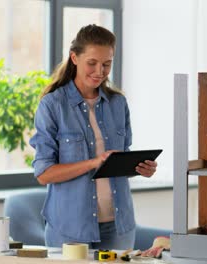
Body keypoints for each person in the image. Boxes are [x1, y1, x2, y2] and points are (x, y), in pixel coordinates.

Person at [29, 24, 158, 249]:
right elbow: (43, 173)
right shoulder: (52, 105)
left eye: (107, 64)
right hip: (70, 227)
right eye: (92, 63)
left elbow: (118, 161)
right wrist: (93, 163)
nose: (100, 71)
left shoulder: (118, 103)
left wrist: (139, 168)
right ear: (74, 58)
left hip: (118, 225)